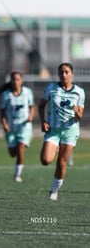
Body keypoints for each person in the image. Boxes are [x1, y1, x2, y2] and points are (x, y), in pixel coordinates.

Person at [38, 62, 85, 201]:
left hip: (70, 130)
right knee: (45, 160)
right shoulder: (51, 88)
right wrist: (43, 122)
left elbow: (80, 115)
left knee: (62, 162)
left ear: (72, 74)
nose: (64, 75)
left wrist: (77, 113)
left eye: (66, 72)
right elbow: (41, 107)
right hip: (53, 129)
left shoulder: (79, 92)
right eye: (61, 72)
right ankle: (56, 146)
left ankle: (54, 190)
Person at [0, 71, 35, 183]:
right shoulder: (6, 95)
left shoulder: (27, 92)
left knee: (21, 148)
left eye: (18, 79)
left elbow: (32, 106)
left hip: (24, 126)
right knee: (12, 153)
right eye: (13, 79)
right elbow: (2, 111)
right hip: (11, 127)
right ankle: (17, 160)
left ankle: (17, 174)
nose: (15, 81)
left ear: (21, 81)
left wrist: (31, 116)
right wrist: (4, 124)